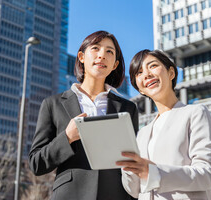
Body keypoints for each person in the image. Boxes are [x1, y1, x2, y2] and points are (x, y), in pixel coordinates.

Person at [28, 30, 138, 200]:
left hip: (116, 194)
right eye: (95, 48)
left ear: (114, 65)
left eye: (109, 51)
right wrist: (67, 137)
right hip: (70, 194)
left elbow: (134, 161)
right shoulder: (53, 104)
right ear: (81, 56)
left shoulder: (127, 107)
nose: (102, 55)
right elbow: (36, 164)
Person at [116, 49, 211, 200]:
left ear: (171, 73)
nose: (146, 74)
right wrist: (128, 167)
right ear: (140, 88)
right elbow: (134, 190)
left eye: (153, 66)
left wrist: (154, 173)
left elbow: (207, 174)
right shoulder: (142, 133)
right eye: (139, 72)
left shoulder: (195, 113)